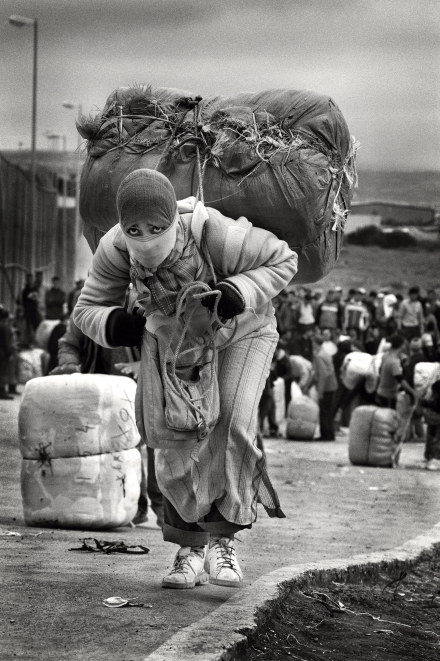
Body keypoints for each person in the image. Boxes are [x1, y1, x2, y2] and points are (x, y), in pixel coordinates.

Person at [73, 168, 297, 589]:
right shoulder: (116, 249)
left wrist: (238, 291)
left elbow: (284, 259)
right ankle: (189, 549)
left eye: (156, 227)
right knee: (174, 437)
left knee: (230, 419)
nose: (145, 237)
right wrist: (113, 323)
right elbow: (86, 308)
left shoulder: (216, 234)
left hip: (244, 332)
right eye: (134, 228)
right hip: (172, 339)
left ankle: (223, 542)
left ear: (172, 220)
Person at [50, 315, 164, 529]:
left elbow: (169, 343)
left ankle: (163, 509)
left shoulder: (144, 301)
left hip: (144, 386)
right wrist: (70, 363)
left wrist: (143, 364)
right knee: (121, 449)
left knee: (154, 445)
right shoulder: (85, 309)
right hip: (103, 395)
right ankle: (133, 506)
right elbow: (69, 344)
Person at [307, 335, 338, 440]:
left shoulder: (319, 356)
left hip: (326, 387)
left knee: (324, 411)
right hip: (332, 385)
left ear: (315, 343)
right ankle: (330, 434)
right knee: (328, 411)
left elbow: (323, 375)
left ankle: (325, 435)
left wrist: (320, 391)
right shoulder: (325, 353)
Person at [376, 334, 416, 409]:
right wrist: (413, 392)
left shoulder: (386, 355)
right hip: (388, 397)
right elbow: (401, 380)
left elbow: (380, 370)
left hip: (380, 392)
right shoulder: (394, 362)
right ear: (402, 346)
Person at [420, 380, 440, 471]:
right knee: (432, 439)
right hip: (434, 422)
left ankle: (435, 458)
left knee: (435, 440)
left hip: (436, 423)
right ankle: (430, 457)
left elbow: (435, 406)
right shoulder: (435, 401)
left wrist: (425, 403)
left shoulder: (436, 402)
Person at [0, 308, 14, 399]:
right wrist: (10, 353)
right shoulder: (5, 327)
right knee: (2, 373)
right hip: (2, 354)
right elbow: (7, 343)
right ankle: (1, 392)